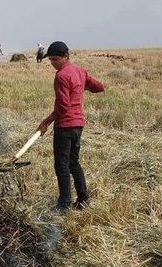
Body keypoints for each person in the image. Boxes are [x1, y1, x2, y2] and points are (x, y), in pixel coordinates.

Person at [36, 41, 105, 213]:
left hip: (65, 126)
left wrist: (46, 121)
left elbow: (62, 107)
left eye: (56, 59)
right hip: (78, 125)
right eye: (50, 60)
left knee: (62, 165)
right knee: (74, 162)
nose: (53, 63)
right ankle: (83, 200)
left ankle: (64, 204)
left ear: (66, 56)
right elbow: (99, 87)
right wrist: (81, 87)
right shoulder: (79, 71)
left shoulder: (61, 76)